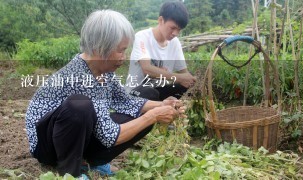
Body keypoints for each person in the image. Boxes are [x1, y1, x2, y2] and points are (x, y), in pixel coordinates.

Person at [25, 9, 186, 178]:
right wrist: (153, 116)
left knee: (147, 95)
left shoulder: (104, 71)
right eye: (121, 50)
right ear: (100, 48)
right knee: (79, 106)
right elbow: (109, 136)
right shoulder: (79, 75)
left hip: (77, 134)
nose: (124, 57)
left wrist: (163, 105)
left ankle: (93, 161)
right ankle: (70, 171)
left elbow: (125, 101)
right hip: (48, 146)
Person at [125, 1, 196, 101]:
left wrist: (191, 80)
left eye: (179, 30)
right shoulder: (142, 37)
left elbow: (185, 73)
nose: (175, 33)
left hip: (158, 91)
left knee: (189, 81)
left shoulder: (175, 43)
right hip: (137, 92)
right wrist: (180, 78)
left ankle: (170, 108)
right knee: (150, 92)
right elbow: (147, 69)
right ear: (161, 20)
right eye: (172, 28)